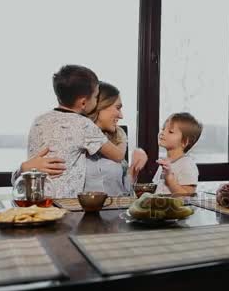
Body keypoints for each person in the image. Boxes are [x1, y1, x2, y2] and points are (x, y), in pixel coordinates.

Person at [20, 65, 128, 198]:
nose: (96, 100)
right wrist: (123, 137)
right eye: (95, 97)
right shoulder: (84, 125)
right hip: (64, 204)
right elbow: (118, 156)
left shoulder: (39, 120)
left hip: (33, 197)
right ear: (83, 103)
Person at [153, 112, 202, 195]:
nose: (162, 133)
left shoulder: (187, 164)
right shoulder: (165, 163)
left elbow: (187, 197)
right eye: (163, 129)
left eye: (170, 132)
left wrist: (170, 179)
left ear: (185, 141)